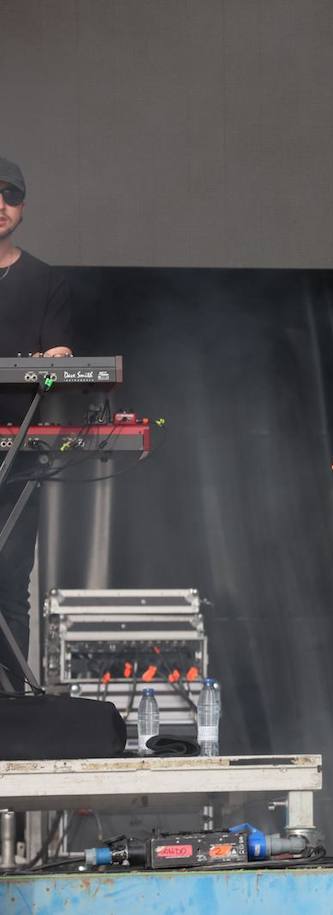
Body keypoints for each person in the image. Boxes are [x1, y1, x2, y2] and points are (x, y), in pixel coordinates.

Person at [0, 154, 73, 691]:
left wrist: (61, 359)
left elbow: (59, 352)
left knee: (8, 581)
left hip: (16, 451)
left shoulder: (44, 279)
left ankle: (9, 702)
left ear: (22, 208)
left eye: (10, 196)